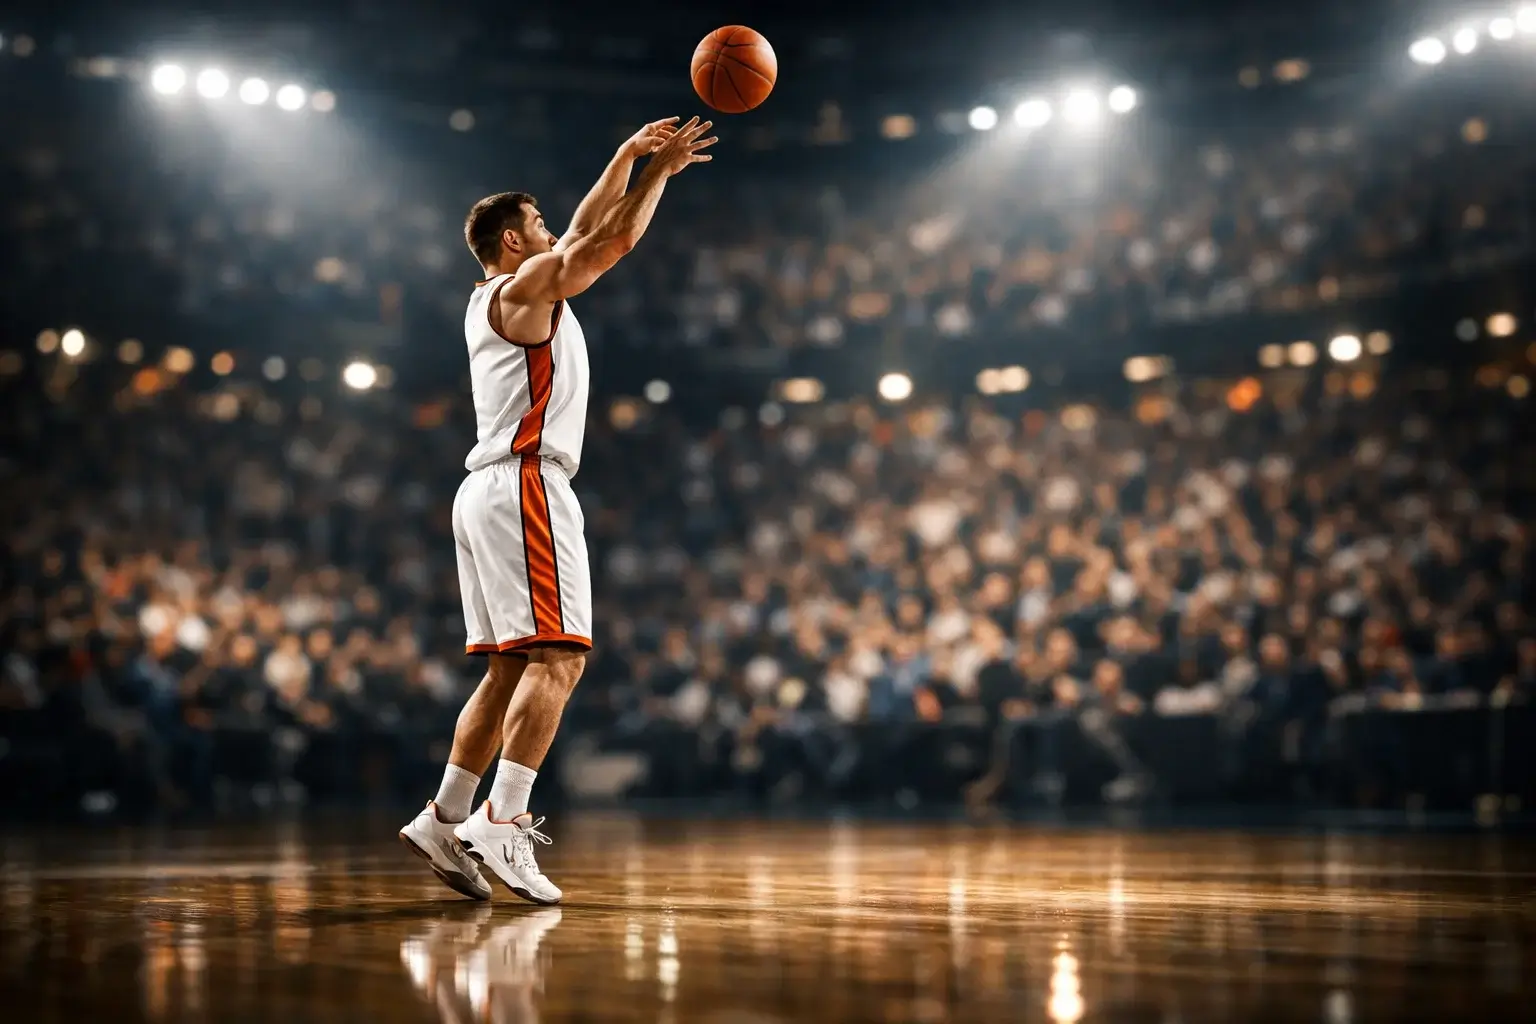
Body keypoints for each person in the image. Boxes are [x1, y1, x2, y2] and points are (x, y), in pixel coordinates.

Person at [399, 115, 717, 903]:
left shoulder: (499, 293)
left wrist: (626, 154)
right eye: (534, 223)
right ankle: (504, 822)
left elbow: (581, 228)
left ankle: (445, 814)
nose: (551, 228)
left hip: (485, 488)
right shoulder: (526, 288)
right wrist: (661, 177)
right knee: (562, 658)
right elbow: (605, 244)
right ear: (512, 242)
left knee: (511, 668)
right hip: (526, 482)